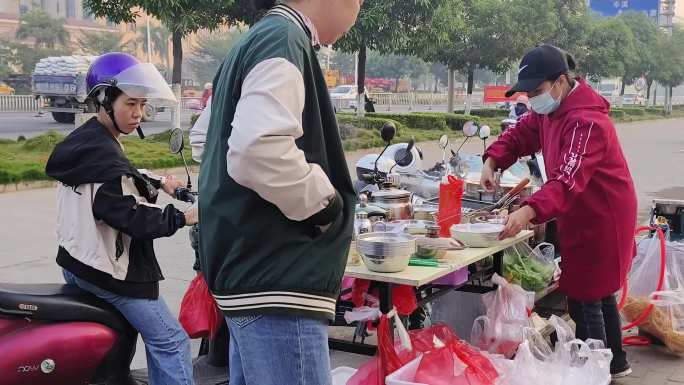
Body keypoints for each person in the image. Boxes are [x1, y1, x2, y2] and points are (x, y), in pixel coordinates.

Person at [197, 0, 362, 384]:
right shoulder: (283, 39)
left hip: (253, 274)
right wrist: (326, 205)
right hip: (278, 279)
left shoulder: (259, 38)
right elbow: (256, 149)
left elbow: (205, 138)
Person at [481, 44, 637, 379]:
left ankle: (592, 371)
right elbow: (521, 135)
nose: (533, 99)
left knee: (586, 295)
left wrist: (528, 211)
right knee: (596, 289)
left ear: (561, 82)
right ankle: (616, 361)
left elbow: (567, 180)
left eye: (536, 91)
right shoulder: (550, 112)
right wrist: (493, 159)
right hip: (578, 210)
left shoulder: (587, 122)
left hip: (603, 216)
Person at [45, 52, 198, 385]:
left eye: (142, 105)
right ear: (103, 99)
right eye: (131, 104)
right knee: (171, 341)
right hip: (106, 272)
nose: (138, 114)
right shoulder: (103, 155)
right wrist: (184, 217)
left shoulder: (89, 142)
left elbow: (121, 178)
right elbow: (130, 217)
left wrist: (159, 184)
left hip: (77, 262)